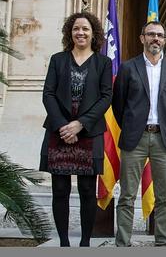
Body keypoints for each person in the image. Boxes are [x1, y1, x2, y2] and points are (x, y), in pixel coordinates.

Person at [40, 12, 112, 247]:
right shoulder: (57, 59)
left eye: (85, 29)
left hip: (88, 133)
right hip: (58, 132)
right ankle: (63, 243)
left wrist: (80, 124)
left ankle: (84, 243)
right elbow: (48, 94)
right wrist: (63, 125)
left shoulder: (103, 62)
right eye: (76, 29)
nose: (80, 32)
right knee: (60, 189)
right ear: (69, 33)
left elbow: (106, 97)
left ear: (94, 34)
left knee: (87, 190)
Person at [112, 21, 166, 247]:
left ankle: (162, 242)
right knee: (127, 196)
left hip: (163, 139)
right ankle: (122, 242)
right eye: (151, 34)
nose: (155, 39)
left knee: (163, 197)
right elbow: (118, 104)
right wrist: (132, 126)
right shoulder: (127, 68)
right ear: (142, 38)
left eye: (160, 35)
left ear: (164, 40)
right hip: (135, 138)